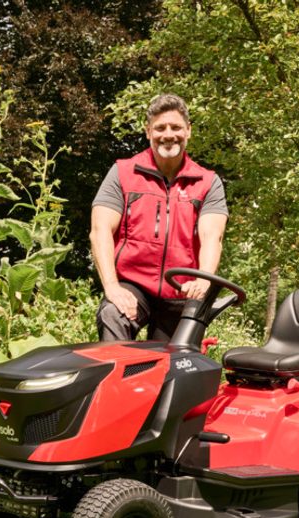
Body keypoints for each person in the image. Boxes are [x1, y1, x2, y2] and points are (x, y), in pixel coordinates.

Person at [90, 93, 228, 342]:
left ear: (188, 130)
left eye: (176, 127)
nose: (168, 134)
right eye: (160, 128)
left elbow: (212, 237)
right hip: (133, 284)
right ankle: (115, 368)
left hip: (182, 289)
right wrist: (112, 287)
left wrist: (203, 280)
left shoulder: (208, 182)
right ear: (148, 132)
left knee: (173, 360)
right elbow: (100, 231)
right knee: (112, 313)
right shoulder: (122, 172)